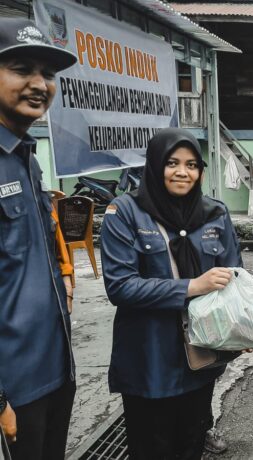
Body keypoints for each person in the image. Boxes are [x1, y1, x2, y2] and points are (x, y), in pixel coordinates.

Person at [100, 128, 242, 459]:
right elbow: (120, 286)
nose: (183, 172)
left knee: (191, 446)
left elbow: (235, 278)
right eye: (172, 163)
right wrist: (193, 286)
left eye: (192, 164)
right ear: (154, 165)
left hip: (199, 358)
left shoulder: (215, 214)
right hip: (147, 360)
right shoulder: (125, 213)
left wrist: (242, 328)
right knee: (150, 449)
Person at [0, 18, 78, 460]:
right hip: (12, 389)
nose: (38, 84)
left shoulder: (27, 159)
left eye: (47, 74)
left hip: (55, 372)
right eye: (21, 68)